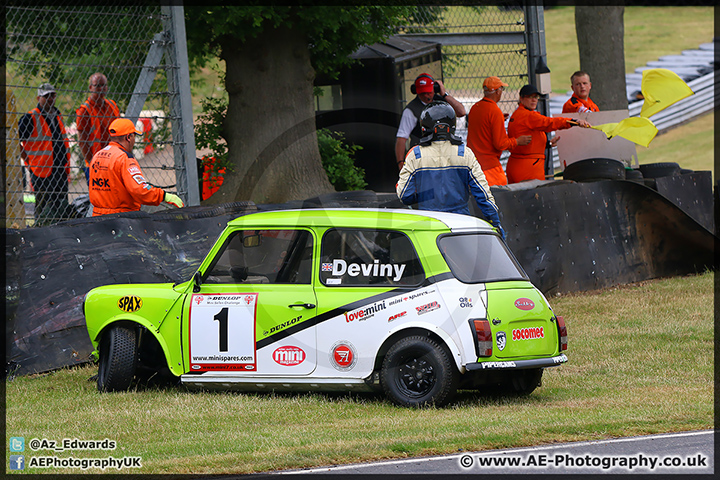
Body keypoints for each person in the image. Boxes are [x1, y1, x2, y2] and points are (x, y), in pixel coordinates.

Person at [396, 101, 505, 240]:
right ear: (451, 126)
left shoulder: (415, 155)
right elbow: (483, 196)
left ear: (424, 126)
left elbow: (405, 195)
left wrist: (426, 195)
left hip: (429, 224)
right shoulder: (464, 153)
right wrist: (496, 224)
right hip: (460, 223)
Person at [89, 118, 184, 216]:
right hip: (121, 218)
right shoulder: (124, 158)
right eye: (134, 136)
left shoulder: (97, 155)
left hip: (97, 217)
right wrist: (164, 196)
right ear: (128, 137)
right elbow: (139, 190)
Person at [506, 84, 591, 184]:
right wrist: (573, 121)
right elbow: (550, 123)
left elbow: (527, 139)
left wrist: (547, 144)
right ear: (521, 98)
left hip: (518, 164)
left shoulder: (518, 114)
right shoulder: (528, 115)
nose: (534, 100)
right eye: (530, 97)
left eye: (535, 97)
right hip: (528, 168)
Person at [19, 83, 72, 226]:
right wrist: (29, 162)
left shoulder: (58, 114)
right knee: (43, 211)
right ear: (38, 98)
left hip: (60, 171)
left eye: (52, 95)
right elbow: (16, 142)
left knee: (61, 209)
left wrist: (67, 167)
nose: (50, 99)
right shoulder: (30, 118)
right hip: (42, 173)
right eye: (46, 96)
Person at [466, 76, 532, 186]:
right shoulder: (494, 111)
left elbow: (483, 125)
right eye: (501, 89)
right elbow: (500, 144)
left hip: (474, 167)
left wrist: (499, 119)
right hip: (490, 171)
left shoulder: (475, 108)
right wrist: (517, 141)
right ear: (497, 91)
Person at [395, 73, 466, 170]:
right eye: (422, 93)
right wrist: (400, 163)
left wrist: (444, 95)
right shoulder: (410, 110)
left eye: (428, 92)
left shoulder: (443, 102)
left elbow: (461, 112)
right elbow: (401, 138)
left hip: (445, 154)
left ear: (435, 89)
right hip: (423, 158)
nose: (426, 95)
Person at [76, 72, 120, 184]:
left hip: (114, 160)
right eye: (97, 85)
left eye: (104, 85)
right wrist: (92, 163)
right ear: (91, 87)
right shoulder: (84, 110)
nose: (101, 88)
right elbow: (82, 141)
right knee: (99, 198)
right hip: (95, 163)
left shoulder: (112, 106)